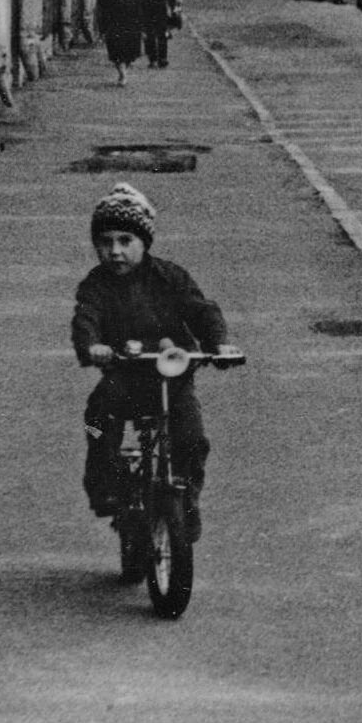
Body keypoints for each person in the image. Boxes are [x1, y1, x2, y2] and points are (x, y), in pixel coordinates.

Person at [72, 184, 229, 548]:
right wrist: (92, 346)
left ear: (144, 241)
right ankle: (104, 483)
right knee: (97, 420)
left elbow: (201, 310)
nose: (115, 251)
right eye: (106, 242)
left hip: (171, 377)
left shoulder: (170, 277)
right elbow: (86, 317)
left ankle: (187, 504)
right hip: (124, 376)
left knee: (192, 440)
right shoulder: (96, 285)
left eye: (126, 240)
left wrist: (218, 344)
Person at [97, 0, 141, 83]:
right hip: (114, 29)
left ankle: (123, 73)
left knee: (128, 55)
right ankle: (123, 74)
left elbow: (138, 13)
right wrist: (102, 31)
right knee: (116, 53)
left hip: (130, 29)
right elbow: (103, 14)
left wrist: (141, 29)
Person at [145, 0, 180, 68]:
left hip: (156, 13)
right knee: (158, 37)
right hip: (157, 13)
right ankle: (158, 59)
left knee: (156, 37)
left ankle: (157, 59)